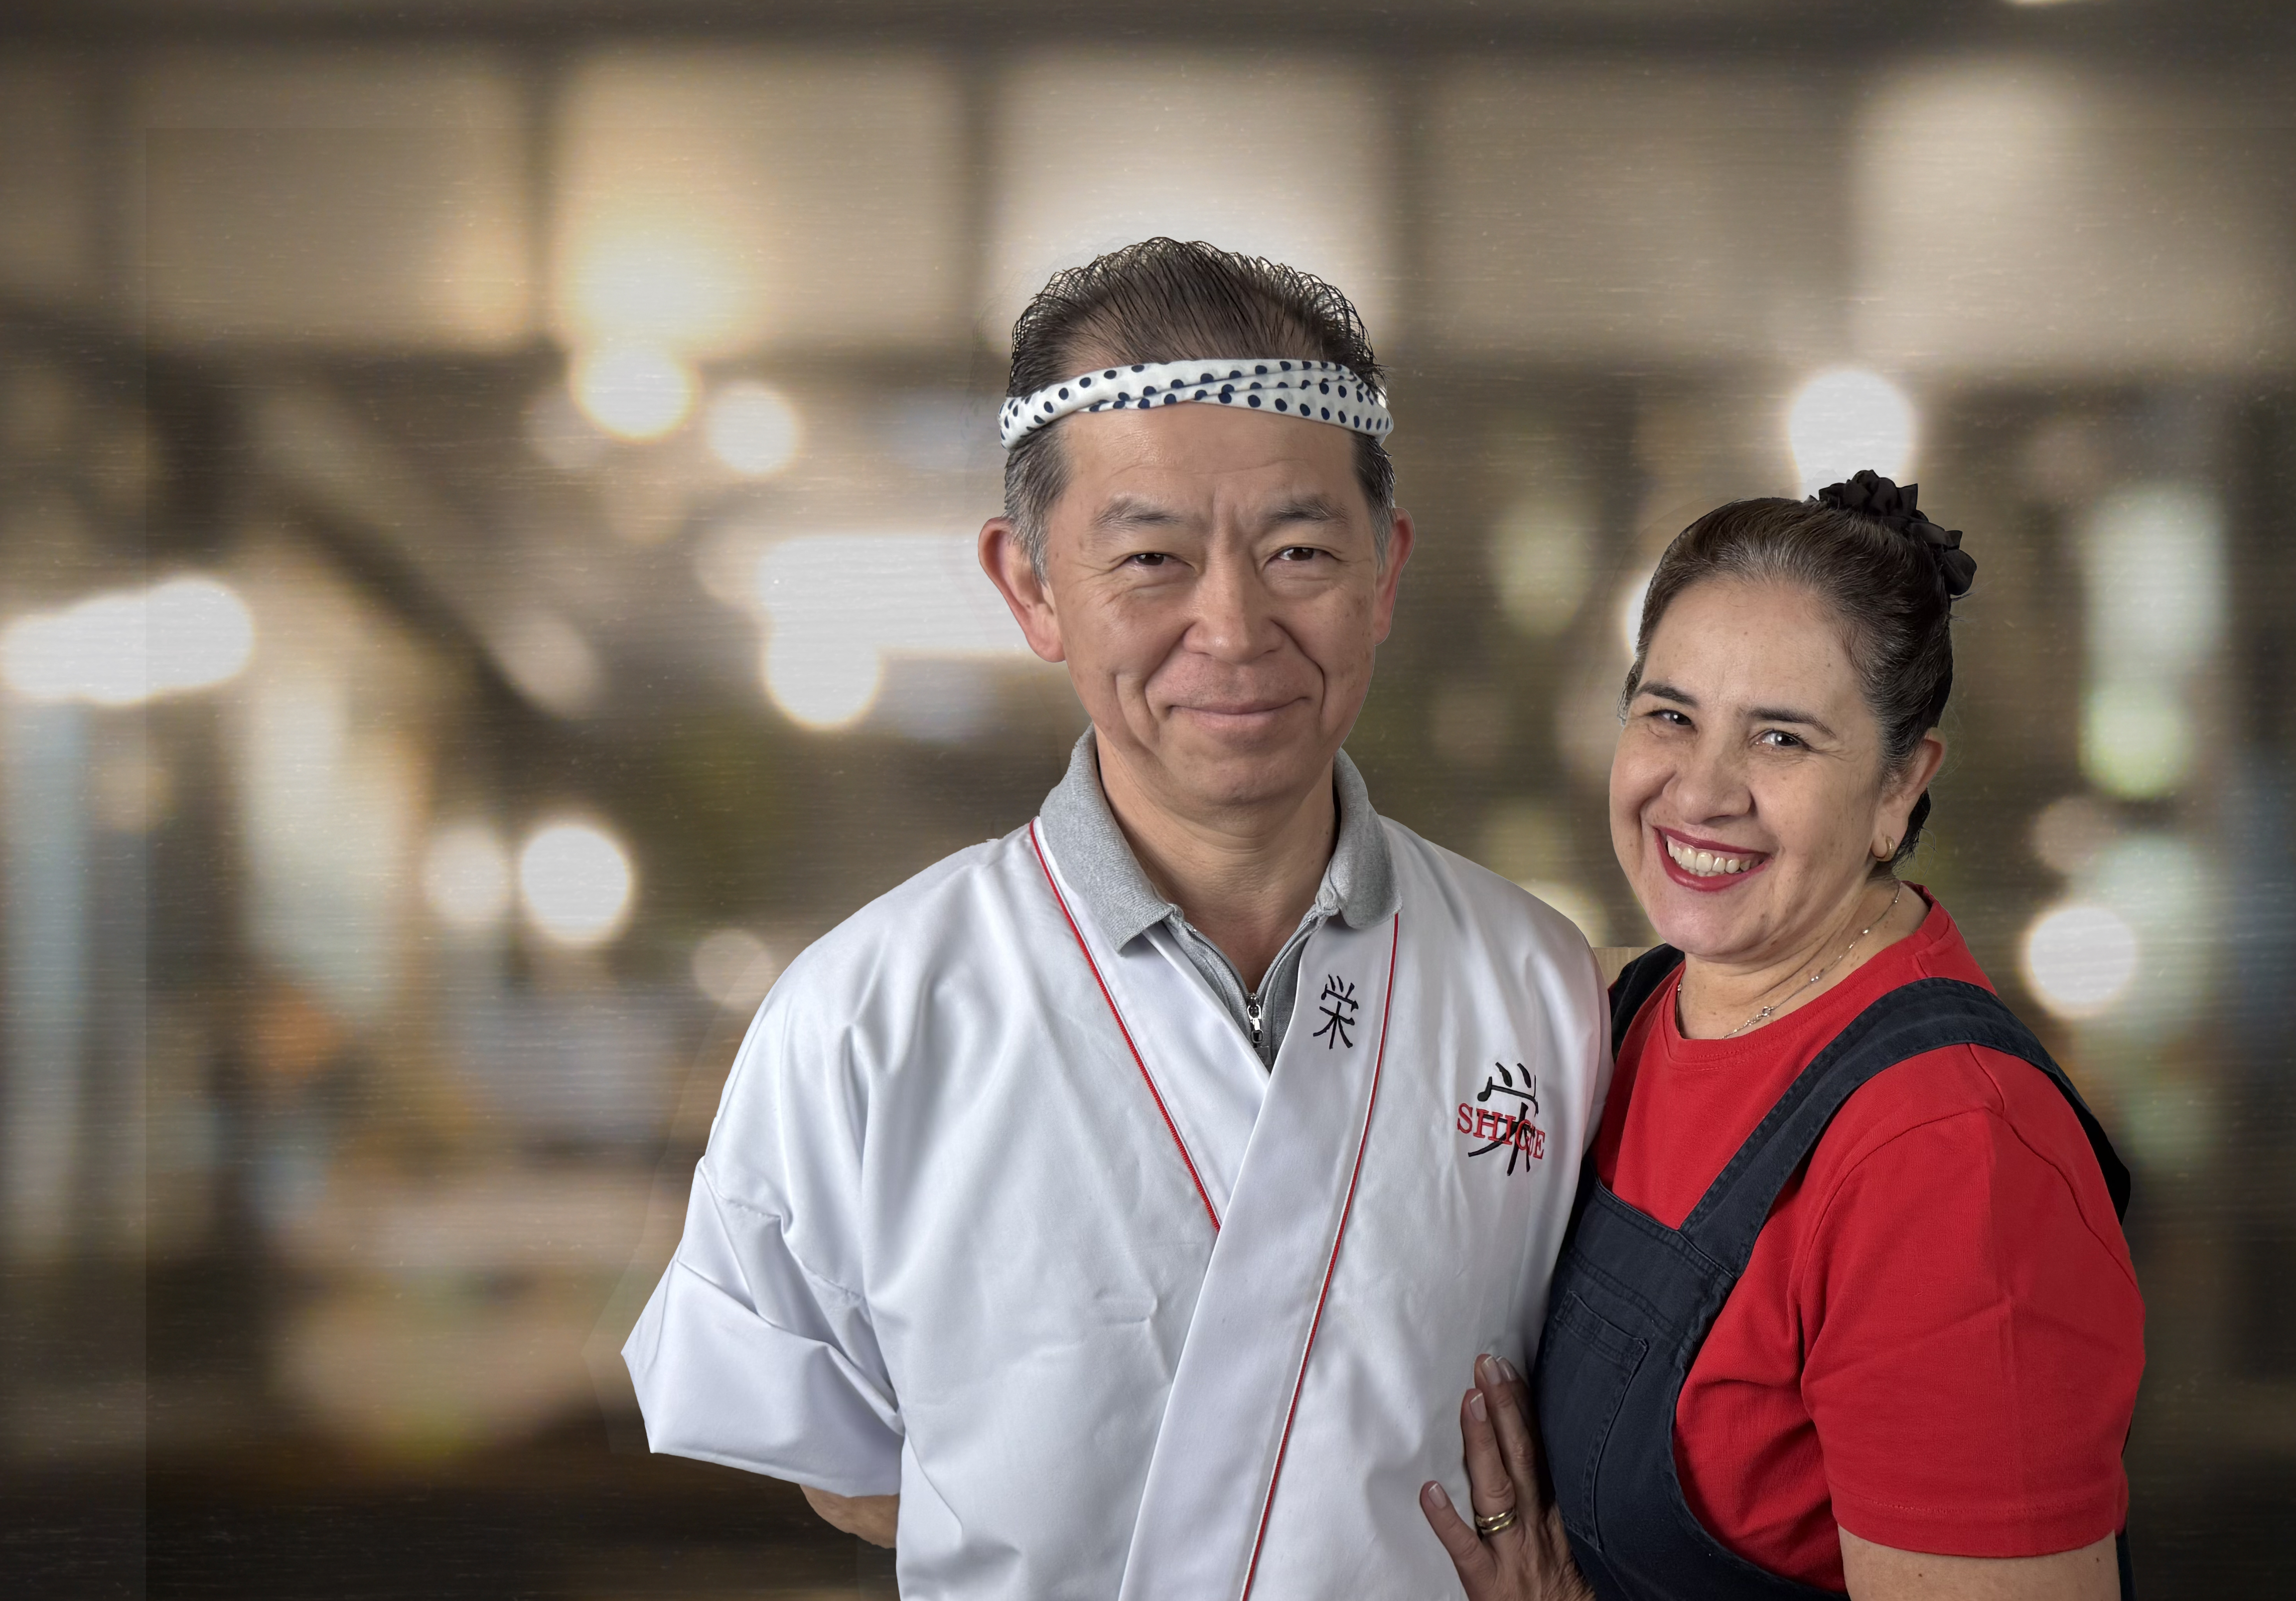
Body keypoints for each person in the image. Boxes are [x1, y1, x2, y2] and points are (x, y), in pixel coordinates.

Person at [624, 239, 1610, 1601]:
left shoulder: (1540, 984)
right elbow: (847, 1467)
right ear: (1029, 585)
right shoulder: (860, 1015)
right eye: (1150, 555)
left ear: (1384, 571)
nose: (1235, 623)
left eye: (1300, 547)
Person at [1419, 474, 2144, 1601]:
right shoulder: (1623, 1015)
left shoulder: (1951, 1156)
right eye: (1669, 714)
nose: (1700, 791)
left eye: (1782, 738)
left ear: (1902, 784)